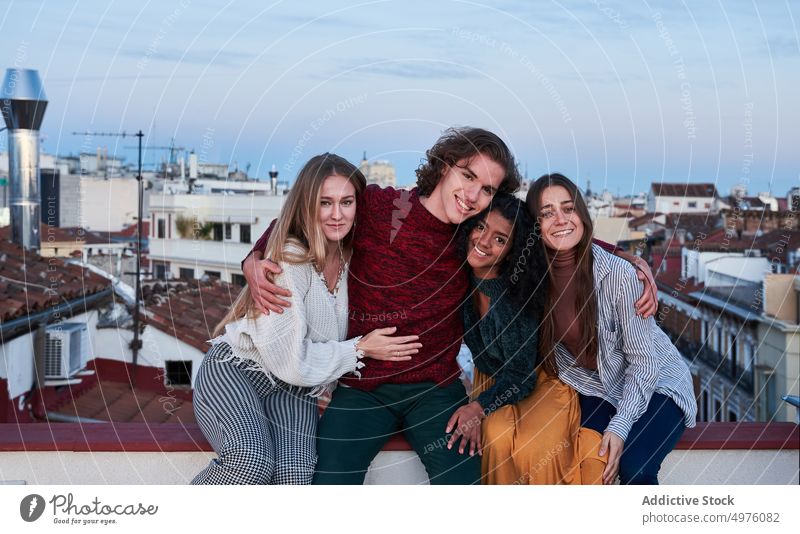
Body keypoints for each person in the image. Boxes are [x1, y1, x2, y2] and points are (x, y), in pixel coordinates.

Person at [244, 128, 660, 484]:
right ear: (444, 166)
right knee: (329, 487)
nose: (473, 195)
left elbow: (546, 239)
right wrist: (253, 258)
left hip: (435, 390)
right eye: (467, 176)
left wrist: (624, 256)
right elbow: (306, 215)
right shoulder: (381, 207)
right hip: (362, 386)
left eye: (488, 189)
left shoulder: (470, 238)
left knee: (464, 489)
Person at [191, 154, 421, 485]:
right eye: (325, 203)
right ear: (307, 205)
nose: (337, 214)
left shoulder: (353, 258)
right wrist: (360, 349)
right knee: (250, 460)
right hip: (239, 370)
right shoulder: (289, 260)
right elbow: (293, 363)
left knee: (297, 477)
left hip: (294, 390)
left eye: (346, 202)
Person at [521, 173, 697, 485]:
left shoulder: (618, 276)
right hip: (596, 385)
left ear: (583, 215)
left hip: (657, 382)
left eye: (568, 208)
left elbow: (644, 363)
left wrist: (620, 425)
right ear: (533, 226)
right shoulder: (532, 281)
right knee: (591, 463)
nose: (560, 219)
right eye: (547, 213)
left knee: (634, 466)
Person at [445, 193, 607, 484]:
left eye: (499, 239)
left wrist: (477, 407)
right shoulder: (460, 272)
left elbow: (522, 375)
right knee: (495, 437)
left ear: (513, 249)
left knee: (538, 451)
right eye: (480, 227)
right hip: (492, 380)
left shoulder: (513, 297)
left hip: (539, 380)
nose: (483, 241)